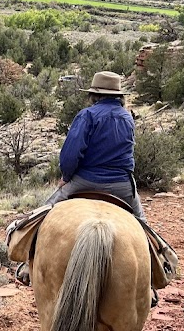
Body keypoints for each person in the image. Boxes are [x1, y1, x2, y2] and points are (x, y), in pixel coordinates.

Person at [48, 70, 145, 220]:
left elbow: (71, 154)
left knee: (42, 215)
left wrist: (66, 177)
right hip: (121, 184)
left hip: (85, 181)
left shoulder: (87, 115)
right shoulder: (127, 117)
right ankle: (160, 244)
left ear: (94, 95)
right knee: (144, 227)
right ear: (119, 96)